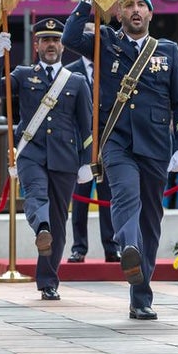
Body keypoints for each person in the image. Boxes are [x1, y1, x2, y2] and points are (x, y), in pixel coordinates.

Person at [63, 0, 178, 320]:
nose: (135, 11)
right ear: (118, 13)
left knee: (151, 218)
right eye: (129, 5)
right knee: (125, 195)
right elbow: (71, 35)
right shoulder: (104, 41)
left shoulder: (168, 50)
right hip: (116, 139)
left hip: (155, 143)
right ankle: (128, 247)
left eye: (141, 6)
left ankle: (140, 295)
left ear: (151, 13)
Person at [0, 18, 93, 301]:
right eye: (45, 40)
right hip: (31, 152)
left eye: (56, 40)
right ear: (36, 45)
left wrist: (86, 162)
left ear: (62, 46)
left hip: (65, 158)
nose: (51, 45)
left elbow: (86, 126)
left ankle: (48, 281)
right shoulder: (22, 73)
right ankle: (40, 227)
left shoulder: (77, 81)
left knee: (59, 221)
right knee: (36, 195)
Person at [66, 54, 120, 263]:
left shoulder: (112, 66)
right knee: (80, 199)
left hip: (107, 143)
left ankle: (112, 246)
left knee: (108, 198)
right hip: (80, 145)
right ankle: (79, 247)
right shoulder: (71, 69)